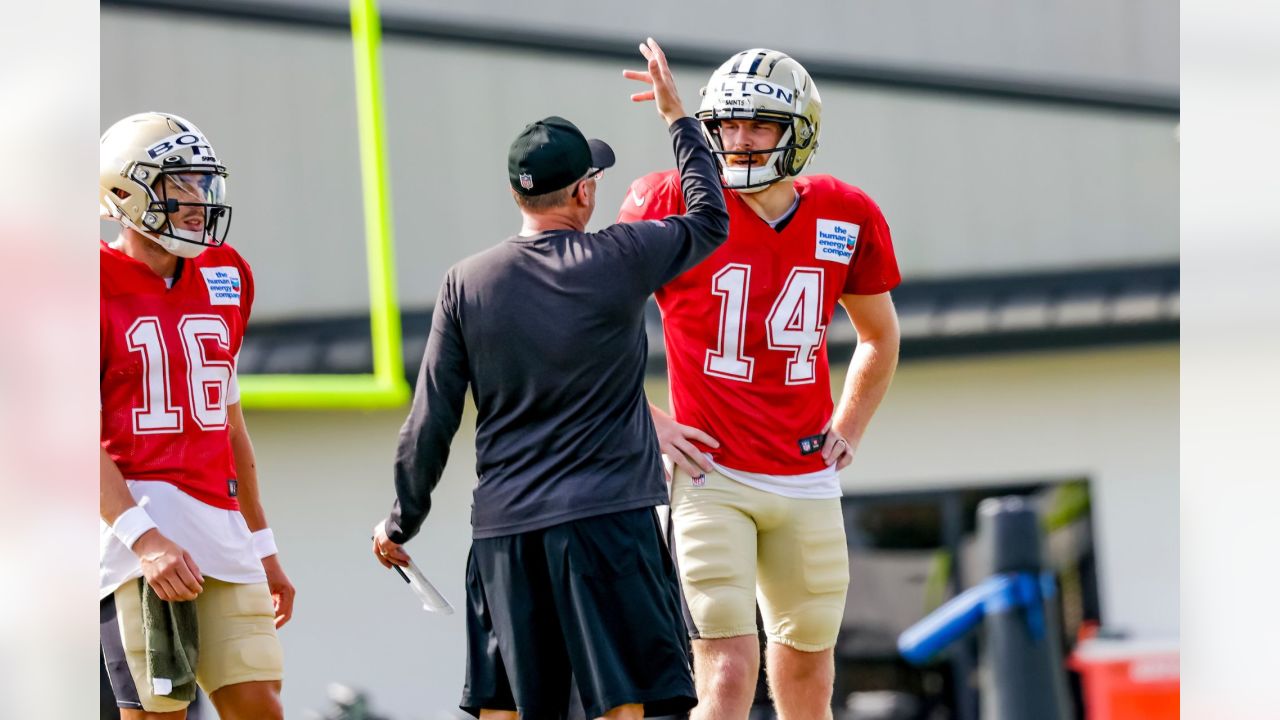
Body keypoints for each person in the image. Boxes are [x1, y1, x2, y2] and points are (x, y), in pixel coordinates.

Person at [370, 39, 728, 720]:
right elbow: (712, 220)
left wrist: (401, 519)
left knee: (505, 706)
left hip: (505, 532)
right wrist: (678, 118)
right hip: (608, 523)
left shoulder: (465, 283)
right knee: (626, 701)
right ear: (585, 191)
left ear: (515, 192)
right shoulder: (620, 256)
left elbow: (431, 421)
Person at [616, 49, 903, 719]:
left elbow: (879, 336)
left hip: (805, 477)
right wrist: (648, 417)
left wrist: (850, 425)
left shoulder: (845, 212)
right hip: (711, 477)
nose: (740, 142)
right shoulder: (671, 200)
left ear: (798, 129)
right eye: (729, 126)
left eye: (759, 126)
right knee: (727, 672)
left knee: (809, 680)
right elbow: (590, 325)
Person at [100, 112, 294, 719]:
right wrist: (145, 540)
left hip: (222, 532)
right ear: (126, 193)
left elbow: (229, 425)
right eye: (178, 184)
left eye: (201, 184)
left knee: (261, 708)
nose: (196, 202)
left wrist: (263, 544)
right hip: (141, 539)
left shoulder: (226, 272)